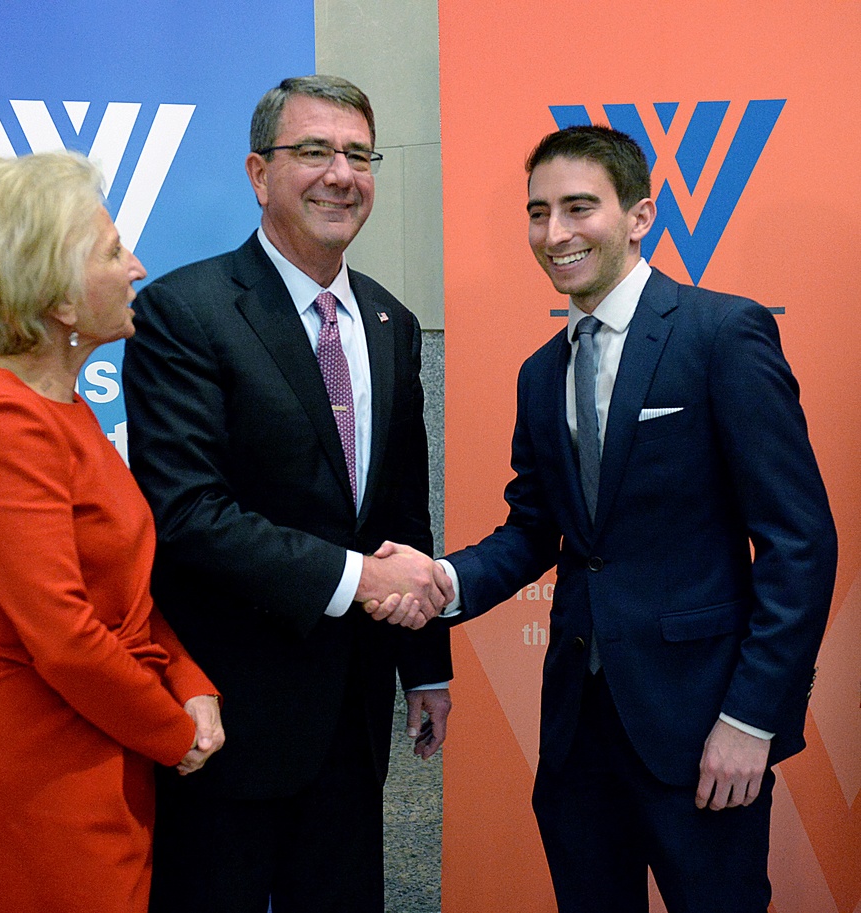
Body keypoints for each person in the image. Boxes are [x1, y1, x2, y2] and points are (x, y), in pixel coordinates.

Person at [380, 124, 838, 912]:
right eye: (537, 212)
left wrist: (751, 719)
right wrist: (442, 580)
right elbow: (535, 531)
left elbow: (800, 542)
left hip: (705, 733)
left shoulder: (722, 333)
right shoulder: (540, 372)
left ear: (640, 215)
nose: (553, 234)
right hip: (578, 743)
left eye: (578, 207)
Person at [121, 75, 453, 913]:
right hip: (224, 725)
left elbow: (399, 514)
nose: (340, 173)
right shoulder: (183, 311)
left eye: (358, 154)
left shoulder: (391, 322)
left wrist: (425, 667)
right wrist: (358, 580)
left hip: (351, 719)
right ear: (258, 173)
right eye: (313, 151)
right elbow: (188, 512)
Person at [0, 151, 225, 913]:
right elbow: (62, 634)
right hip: (48, 778)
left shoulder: (62, 409)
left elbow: (123, 596)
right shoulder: (2, 423)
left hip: (105, 754)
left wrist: (190, 684)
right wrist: (171, 727)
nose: (137, 267)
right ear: (59, 298)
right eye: (112, 252)